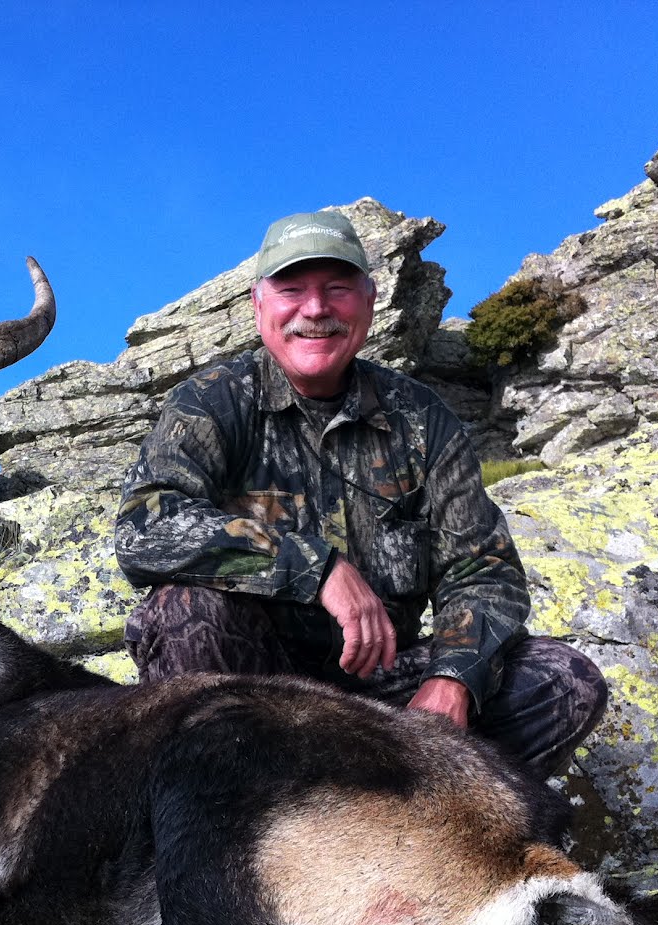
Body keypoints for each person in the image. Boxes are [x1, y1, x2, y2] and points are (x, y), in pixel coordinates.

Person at [114, 209, 606, 781]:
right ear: (258, 305)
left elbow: (482, 570)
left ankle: (414, 831)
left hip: (378, 695)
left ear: (370, 302)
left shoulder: (423, 418)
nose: (316, 310)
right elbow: (146, 525)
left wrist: (452, 679)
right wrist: (316, 569)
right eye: (292, 290)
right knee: (184, 612)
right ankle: (222, 834)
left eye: (338, 289)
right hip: (253, 692)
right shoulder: (213, 401)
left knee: (564, 681)